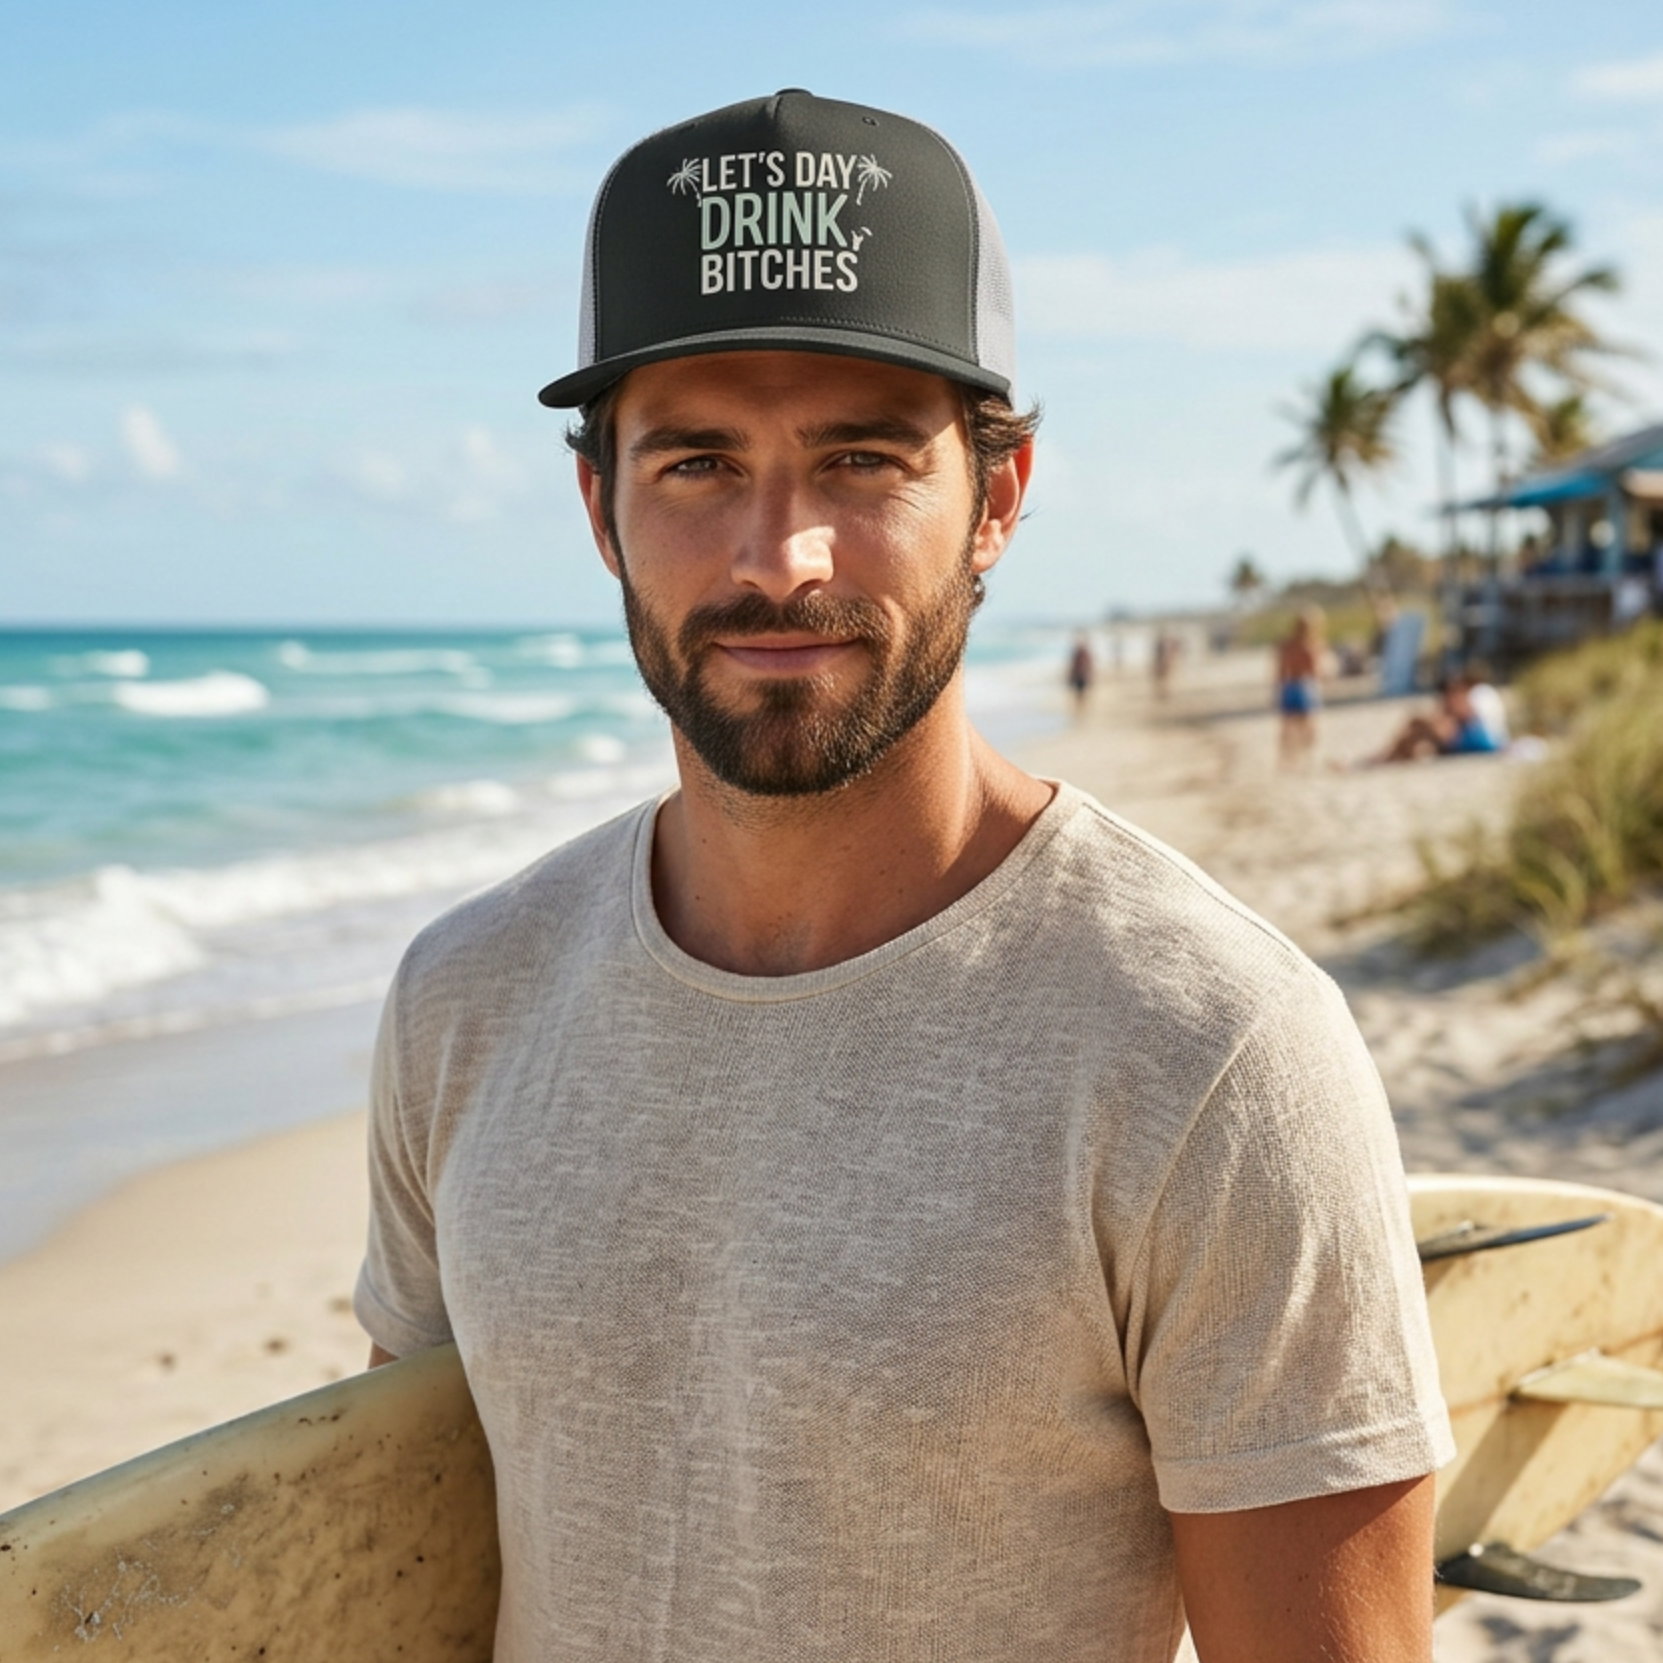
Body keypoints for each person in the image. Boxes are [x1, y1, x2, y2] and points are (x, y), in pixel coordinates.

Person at [355, 91, 1452, 1663]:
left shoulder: (1208, 1050)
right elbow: (397, 1564)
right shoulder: (463, 1000)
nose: (777, 554)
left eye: (861, 460)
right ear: (599, 506)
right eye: (696, 463)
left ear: (994, 498)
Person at [1368, 671, 1509, 764]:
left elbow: (1467, 716)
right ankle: (1386, 758)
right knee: (1418, 729)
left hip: (1480, 741)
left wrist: (1448, 708)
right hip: (1487, 740)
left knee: (1417, 727)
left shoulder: (1475, 696)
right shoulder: (1483, 694)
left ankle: (1384, 758)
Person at [1274, 608, 1325, 769]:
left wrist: (1279, 687)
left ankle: (1286, 758)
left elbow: (1280, 670)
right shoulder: (1311, 645)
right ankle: (1307, 758)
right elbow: (1314, 671)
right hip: (1305, 687)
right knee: (1308, 725)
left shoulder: (1286, 645)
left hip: (1289, 686)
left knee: (1288, 725)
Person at [1066, 630, 1096, 717]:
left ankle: (1082, 708)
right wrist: (1071, 675)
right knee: (1078, 692)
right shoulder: (1077, 652)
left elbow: (1089, 664)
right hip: (1078, 675)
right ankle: (1080, 708)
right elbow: (1073, 665)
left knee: (1082, 692)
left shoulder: (1084, 652)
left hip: (1083, 675)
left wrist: (1090, 674)